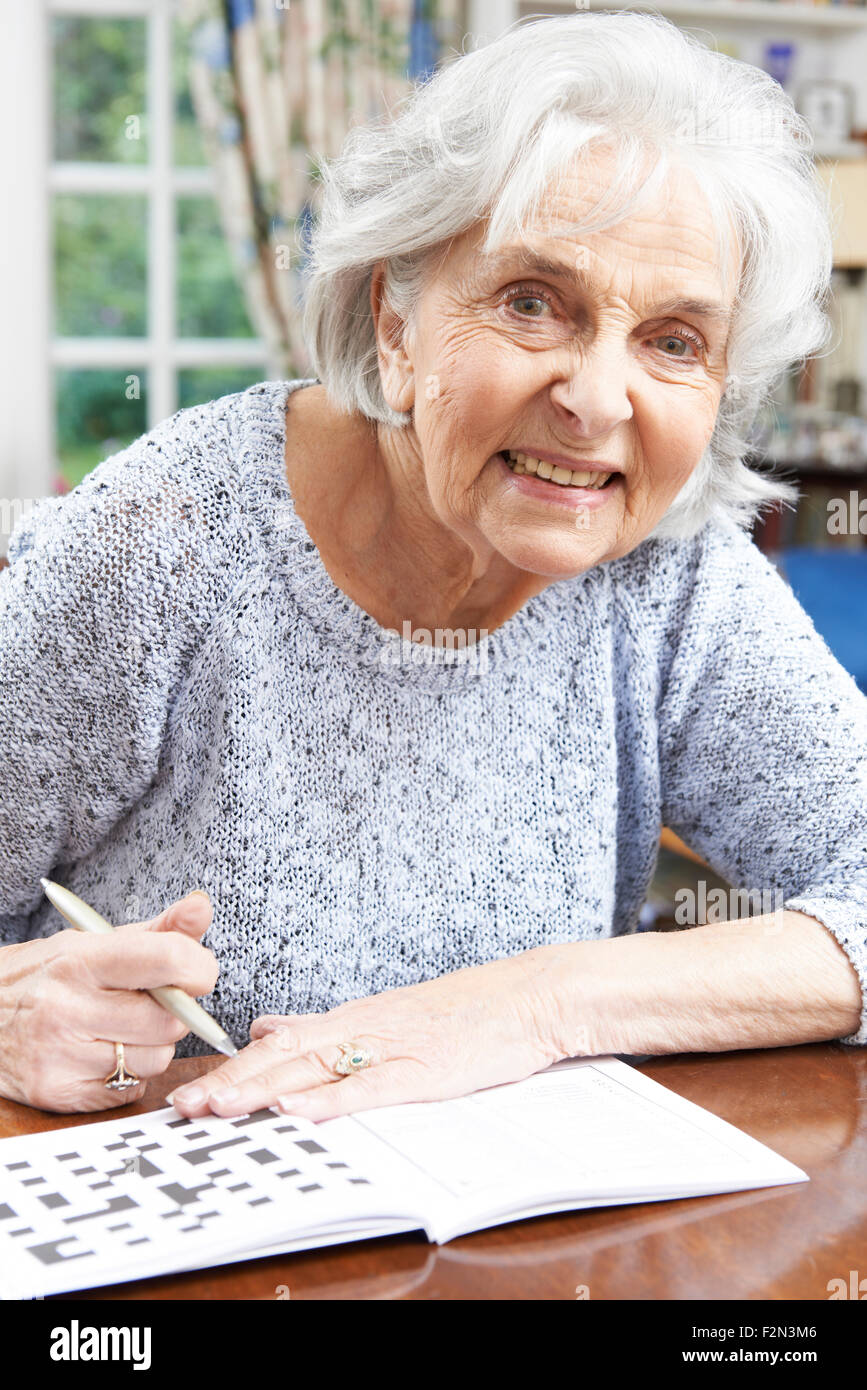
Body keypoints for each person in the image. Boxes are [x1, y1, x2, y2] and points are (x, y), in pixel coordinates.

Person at [1, 12, 864, 1118]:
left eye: (675, 341)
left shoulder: (671, 571)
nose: (600, 401)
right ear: (397, 325)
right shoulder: (165, 540)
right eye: (532, 302)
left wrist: (536, 1003)